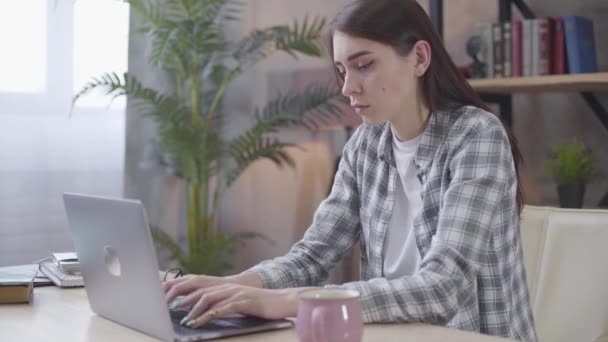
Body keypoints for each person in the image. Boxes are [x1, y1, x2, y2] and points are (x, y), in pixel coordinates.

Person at [163, 0, 537, 340]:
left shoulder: (475, 136)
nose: (347, 87)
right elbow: (313, 256)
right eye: (342, 70)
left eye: (364, 65)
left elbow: (444, 287)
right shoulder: (366, 145)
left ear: (420, 58)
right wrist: (233, 287)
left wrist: (283, 302)